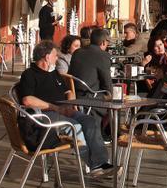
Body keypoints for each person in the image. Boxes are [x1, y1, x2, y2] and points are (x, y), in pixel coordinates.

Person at [15, 40, 111, 175]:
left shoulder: (53, 73)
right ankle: (96, 166)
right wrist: (55, 108)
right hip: (44, 116)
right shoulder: (29, 75)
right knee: (75, 126)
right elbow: (27, 100)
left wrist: (70, 104)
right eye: (55, 55)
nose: (57, 58)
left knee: (89, 121)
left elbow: (68, 92)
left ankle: (101, 162)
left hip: (63, 111)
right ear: (47, 57)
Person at [67, 27, 113, 95]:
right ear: (103, 42)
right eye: (107, 43)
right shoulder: (103, 55)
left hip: (73, 93)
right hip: (90, 95)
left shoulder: (77, 52)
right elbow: (107, 84)